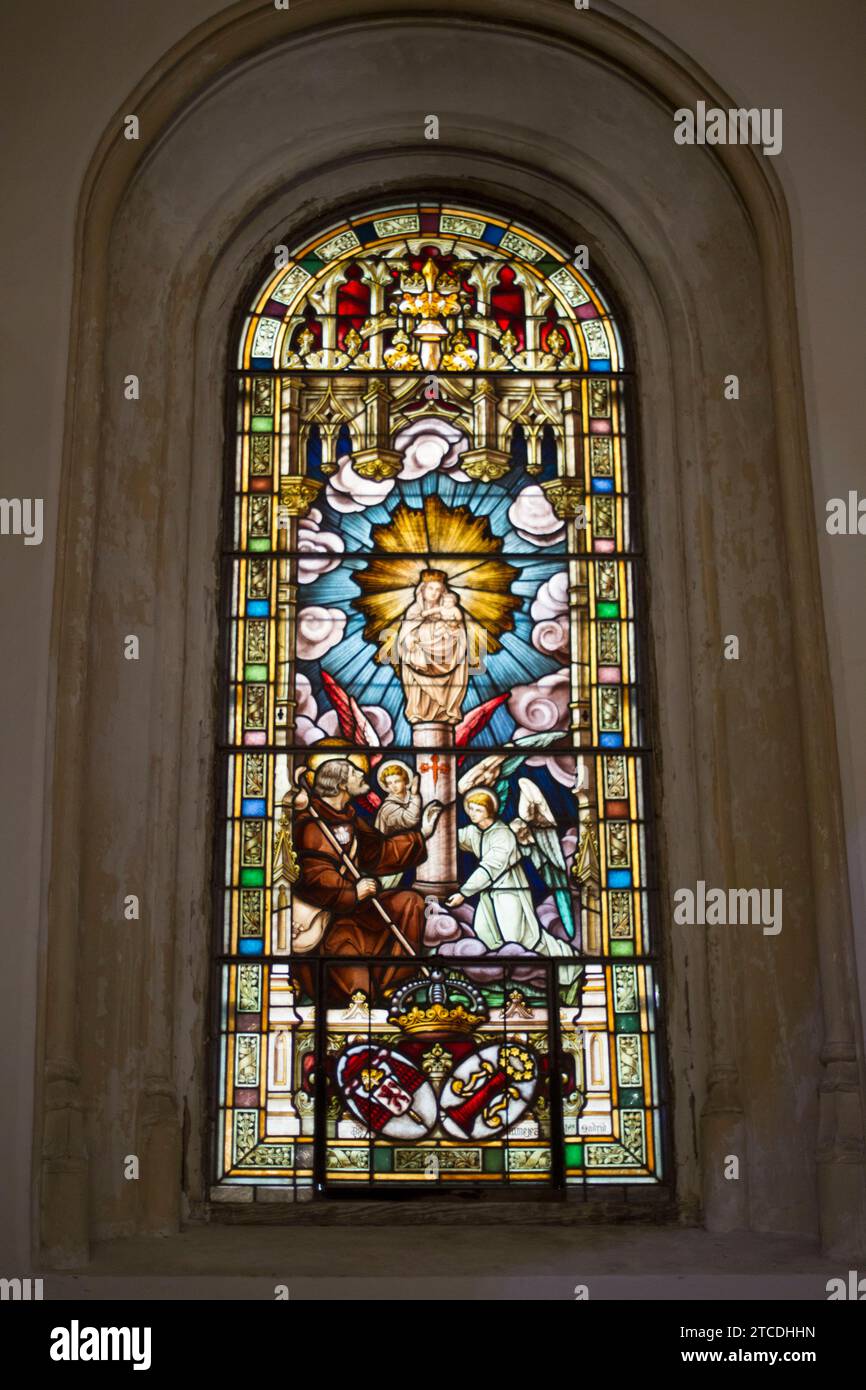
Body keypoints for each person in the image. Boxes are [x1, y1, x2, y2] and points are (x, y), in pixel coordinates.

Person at [293, 757, 442, 1006]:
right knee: (351, 967)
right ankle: (361, 1005)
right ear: (341, 784)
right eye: (353, 772)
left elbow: (380, 852)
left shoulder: (350, 818)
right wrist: (353, 891)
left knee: (409, 902)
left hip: (357, 909)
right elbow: (316, 876)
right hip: (331, 916)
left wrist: (421, 834)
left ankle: (396, 985)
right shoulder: (312, 824)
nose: (362, 773)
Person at [446, 788, 580, 999]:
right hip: (488, 892)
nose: (472, 813)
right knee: (484, 931)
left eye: (478, 809)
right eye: (470, 809)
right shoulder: (474, 832)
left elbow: (491, 866)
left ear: (489, 811)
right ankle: (504, 982)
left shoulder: (503, 834)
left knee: (520, 938)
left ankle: (567, 968)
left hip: (510, 889)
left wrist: (463, 893)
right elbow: (451, 837)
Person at [397, 570, 469, 725]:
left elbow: (460, 631)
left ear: (443, 592)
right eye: (430, 588)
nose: (433, 593)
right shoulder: (414, 610)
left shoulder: (451, 610)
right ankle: (417, 711)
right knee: (416, 679)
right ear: (422, 590)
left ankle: (447, 710)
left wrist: (454, 632)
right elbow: (406, 632)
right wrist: (409, 637)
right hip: (420, 658)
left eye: (438, 590)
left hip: (447, 657)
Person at [374, 761, 422, 889]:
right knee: (386, 890)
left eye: (397, 781)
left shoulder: (407, 799)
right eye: (389, 783)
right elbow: (411, 819)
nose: (393, 786)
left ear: (405, 780)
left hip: (406, 853)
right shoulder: (388, 808)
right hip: (390, 859)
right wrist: (416, 795)